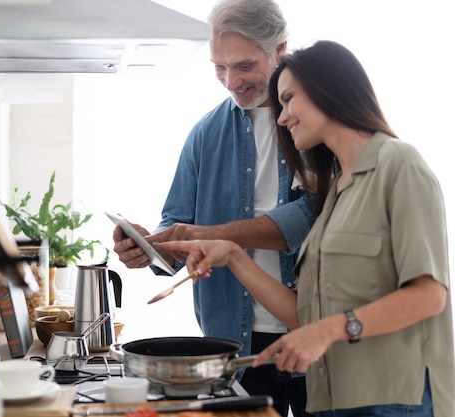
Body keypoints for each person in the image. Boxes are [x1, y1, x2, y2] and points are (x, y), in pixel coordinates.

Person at [156, 40, 455, 417]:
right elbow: (306, 318)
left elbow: (429, 296)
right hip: (330, 400)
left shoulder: (398, 164)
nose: (281, 117)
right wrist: (233, 255)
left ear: (327, 90)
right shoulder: (334, 193)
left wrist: (329, 330)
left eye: (288, 100)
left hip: (392, 401)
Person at [112, 1, 315, 416]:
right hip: (234, 346)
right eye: (219, 68)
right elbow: (179, 223)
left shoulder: (314, 124)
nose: (230, 82)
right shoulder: (205, 133)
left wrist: (208, 236)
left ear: (279, 49)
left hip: (312, 332)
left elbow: (308, 218)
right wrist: (153, 247)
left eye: (243, 66)